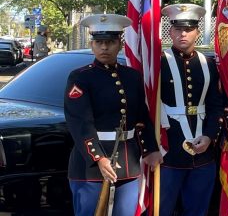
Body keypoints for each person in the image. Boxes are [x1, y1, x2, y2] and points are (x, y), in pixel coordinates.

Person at [64, 14, 163, 216]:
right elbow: (80, 123)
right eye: (99, 42)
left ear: (120, 44)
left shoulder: (132, 76)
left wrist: (150, 149)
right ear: (92, 45)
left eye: (109, 42)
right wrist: (99, 158)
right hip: (90, 165)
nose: (104, 48)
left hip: (128, 163)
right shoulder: (81, 77)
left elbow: (141, 117)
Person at [157, 3, 225, 216]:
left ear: (197, 31)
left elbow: (215, 105)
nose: (183, 34)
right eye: (178, 29)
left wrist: (209, 136)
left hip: (203, 150)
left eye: (188, 29)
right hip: (169, 150)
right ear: (171, 31)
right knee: (163, 208)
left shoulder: (209, 63)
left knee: (198, 209)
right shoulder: (159, 63)